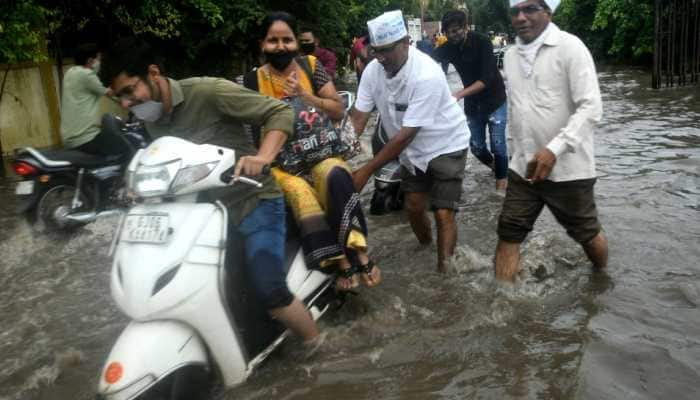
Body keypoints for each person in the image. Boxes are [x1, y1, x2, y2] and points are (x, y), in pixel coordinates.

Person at [98, 37, 321, 343]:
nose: (125, 104)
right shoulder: (149, 120)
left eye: (129, 91)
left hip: (252, 201)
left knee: (270, 290)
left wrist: (263, 157)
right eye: (119, 98)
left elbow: (278, 113)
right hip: (197, 217)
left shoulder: (208, 91)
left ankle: (316, 345)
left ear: (153, 73)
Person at [244, 12, 380, 291]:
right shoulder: (249, 83)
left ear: (296, 42)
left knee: (336, 175)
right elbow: (246, 133)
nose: (281, 46)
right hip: (281, 166)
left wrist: (305, 97)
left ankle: (361, 253)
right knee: (298, 191)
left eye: (287, 39)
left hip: (319, 154)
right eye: (273, 40)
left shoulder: (311, 67)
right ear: (262, 44)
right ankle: (340, 260)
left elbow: (338, 108)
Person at [494, 0, 608, 281]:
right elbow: (519, 110)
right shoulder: (509, 56)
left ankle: (602, 279)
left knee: (587, 235)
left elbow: (591, 107)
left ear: (548, 11)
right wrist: (514, 154)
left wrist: (554, 149)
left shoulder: (571, 48)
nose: (521, 17)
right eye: (515, 12)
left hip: (569, 168)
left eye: (530, 9)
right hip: (524, 168)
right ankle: (503, 304)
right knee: (508, 233)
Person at [351, 10, 471, 273]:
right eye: (375, 50)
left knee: (442, 212)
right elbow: (358, 119)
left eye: (387, 51)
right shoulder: (373, 71)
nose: (380, 58)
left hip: (446, 143)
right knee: (413, 206)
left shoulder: (426, 73)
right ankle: (427, 249)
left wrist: (365, 171)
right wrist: (338, 155)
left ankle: (445, 273)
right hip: (411, 150)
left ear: (406, 42)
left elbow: (405, 135)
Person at [433, 10, 509, 191]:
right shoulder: (448, 47)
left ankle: (501, 190)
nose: (453, 35)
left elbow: (487, 78)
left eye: (457, 30)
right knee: (476, 147)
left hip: (495, 99)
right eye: (449, 32)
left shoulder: (482, 42)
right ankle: (497, 168)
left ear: (465, 28)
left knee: (498, 146)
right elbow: (425, 61)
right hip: (473, 104)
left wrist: (458, 94)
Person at [60, 43, 130, 157]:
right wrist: (130, 100)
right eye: (98, 59)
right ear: (90, 61)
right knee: (125, 151)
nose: (100, 62)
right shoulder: (86, 75)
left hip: (68, 138)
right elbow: (111, 94)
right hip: (85, 137)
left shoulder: (71, 72)